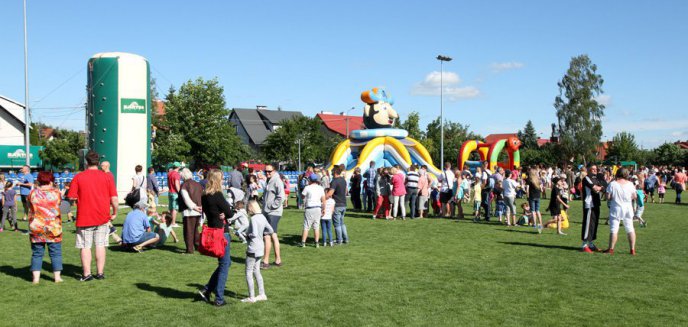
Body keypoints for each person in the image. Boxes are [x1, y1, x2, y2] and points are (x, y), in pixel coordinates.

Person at [67, 151, 118, 281]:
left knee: (85, 246)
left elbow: (71, 196)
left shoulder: (79, 177)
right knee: (100, 245)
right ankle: (100, 273)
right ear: (98, 162)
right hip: (102, 216)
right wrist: (115, 212)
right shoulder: (107, 176)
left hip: (85, 216)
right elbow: (114, 198)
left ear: (86, 162)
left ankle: (87, 273)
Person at [198, 170, 234, 307]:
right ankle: (219, 298)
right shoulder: (217, 195)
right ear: (218, 180)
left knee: (225, 263)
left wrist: (224, 213)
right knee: (225, 264)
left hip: (212, 228)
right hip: (221, 231)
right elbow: (229, 213)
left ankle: (207, 290)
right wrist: (225, 213)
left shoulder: (204, 195)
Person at [27, 172, 63, 284]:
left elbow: (29, 206)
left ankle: (36, 279)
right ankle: (57, 278)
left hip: (37, 226)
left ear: (39, 180)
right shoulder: (56, 193)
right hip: (53, 227)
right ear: (51, 181)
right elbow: (59, 204)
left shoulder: (32, 193)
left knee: (37, 253)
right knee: (55, 252)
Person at [242, 200, 273, 303]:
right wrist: (263, 234)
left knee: (248, 272)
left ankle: (251, 297)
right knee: (257, 271)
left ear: (251, 208)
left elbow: (254, 233)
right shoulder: (263, 217)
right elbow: (271, 230)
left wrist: (247, 235)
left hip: (253, 248)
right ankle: (262, 294)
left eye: (248, 208)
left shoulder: (254, 218)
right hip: (260, 248)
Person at [604, 168, 638, 255]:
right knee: (630, 228)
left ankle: (611, 249)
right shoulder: (630, 184)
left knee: (614, 229)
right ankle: (632, 250)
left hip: (616, 207)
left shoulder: (612, 184)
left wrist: (614, 198)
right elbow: (634, 196)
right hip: (627, 208)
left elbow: (607, 197)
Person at [261, 164, 284, 268]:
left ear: (274, 171)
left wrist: (271, 206)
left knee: (267, 235)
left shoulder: (277, 180)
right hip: (268, 212)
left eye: (269, 171)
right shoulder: (269, 180)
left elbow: (281, 196)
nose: (267, 173)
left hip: (273, 212)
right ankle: (278, 260)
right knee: (273, 235)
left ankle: (265, 262)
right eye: (266, 171)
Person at [580, 165, 607, 253]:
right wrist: (600, 188)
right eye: (593, 169)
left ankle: (591, 244)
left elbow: (605, 188)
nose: (595, 170)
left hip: (596, 203)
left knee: (594, 224)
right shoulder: (586, 178)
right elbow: (595, 189)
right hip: (589, 204)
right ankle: (584, 245)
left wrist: (601, 188)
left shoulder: (597, 178)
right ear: (588, 170)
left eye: (596, 169)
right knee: (588, 224)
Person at [179, 168, 203, 254]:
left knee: (188, 231)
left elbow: (186, 199)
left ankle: (189, 250)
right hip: (198, 210)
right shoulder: (198, 184)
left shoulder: (184, 185)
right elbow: (202, 197)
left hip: (189, 211)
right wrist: (200, 208)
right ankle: (197, 246)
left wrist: (194, 207)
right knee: (195, 230)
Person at [300, 174, 325, 247]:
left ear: (310, 180)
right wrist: (324, 209)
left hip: (309, 207)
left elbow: (302, 196)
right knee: (316, 226)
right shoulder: (320, 188)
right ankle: (316, 243)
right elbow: (323, 200)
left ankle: (303, 242)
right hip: (318, 208)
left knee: (306, 226)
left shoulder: (307, 187)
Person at [330, 166, 349, 244]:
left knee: (337, 224)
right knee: (342, 222)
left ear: (335, 172)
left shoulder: (334, 181)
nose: (331, 173)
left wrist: (325, 197)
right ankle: (345, 239)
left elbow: (330, 193)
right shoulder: (343, 180)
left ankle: (339, 240)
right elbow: (345, 191)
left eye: (332, 172)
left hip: (337, 204)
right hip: (343, 203)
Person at [526, 168, 543, 233]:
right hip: (538, 196)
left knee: (533, 211)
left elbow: (527, 189)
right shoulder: (538, 180)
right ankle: (540, 223)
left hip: (532, 196)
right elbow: (541, 189)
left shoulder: (529, 180)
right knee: (537, 210)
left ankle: (534, 224)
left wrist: (527, 196)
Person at [167, 162, 182, 226]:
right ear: (178, 167)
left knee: (171, 208)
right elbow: (176, 184)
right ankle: (173, 223)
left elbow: (168, 183)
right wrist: (179, 192)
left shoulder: (169, 173)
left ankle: (170, 222)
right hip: (175, 193)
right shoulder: (177, 174)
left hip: (170, 192)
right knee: (175, 209)